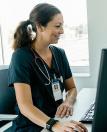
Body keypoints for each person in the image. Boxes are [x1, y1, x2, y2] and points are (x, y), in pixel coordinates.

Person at [7, 3, 88, 132]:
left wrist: (68, 102)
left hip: (56, 119)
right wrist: (54, 125)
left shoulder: (59, 54)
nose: (62, 31)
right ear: (39, 27)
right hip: (31, 126)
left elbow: (71, 88)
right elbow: (25, 106)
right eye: (57, 26)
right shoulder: (21, 57)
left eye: (62, 25)